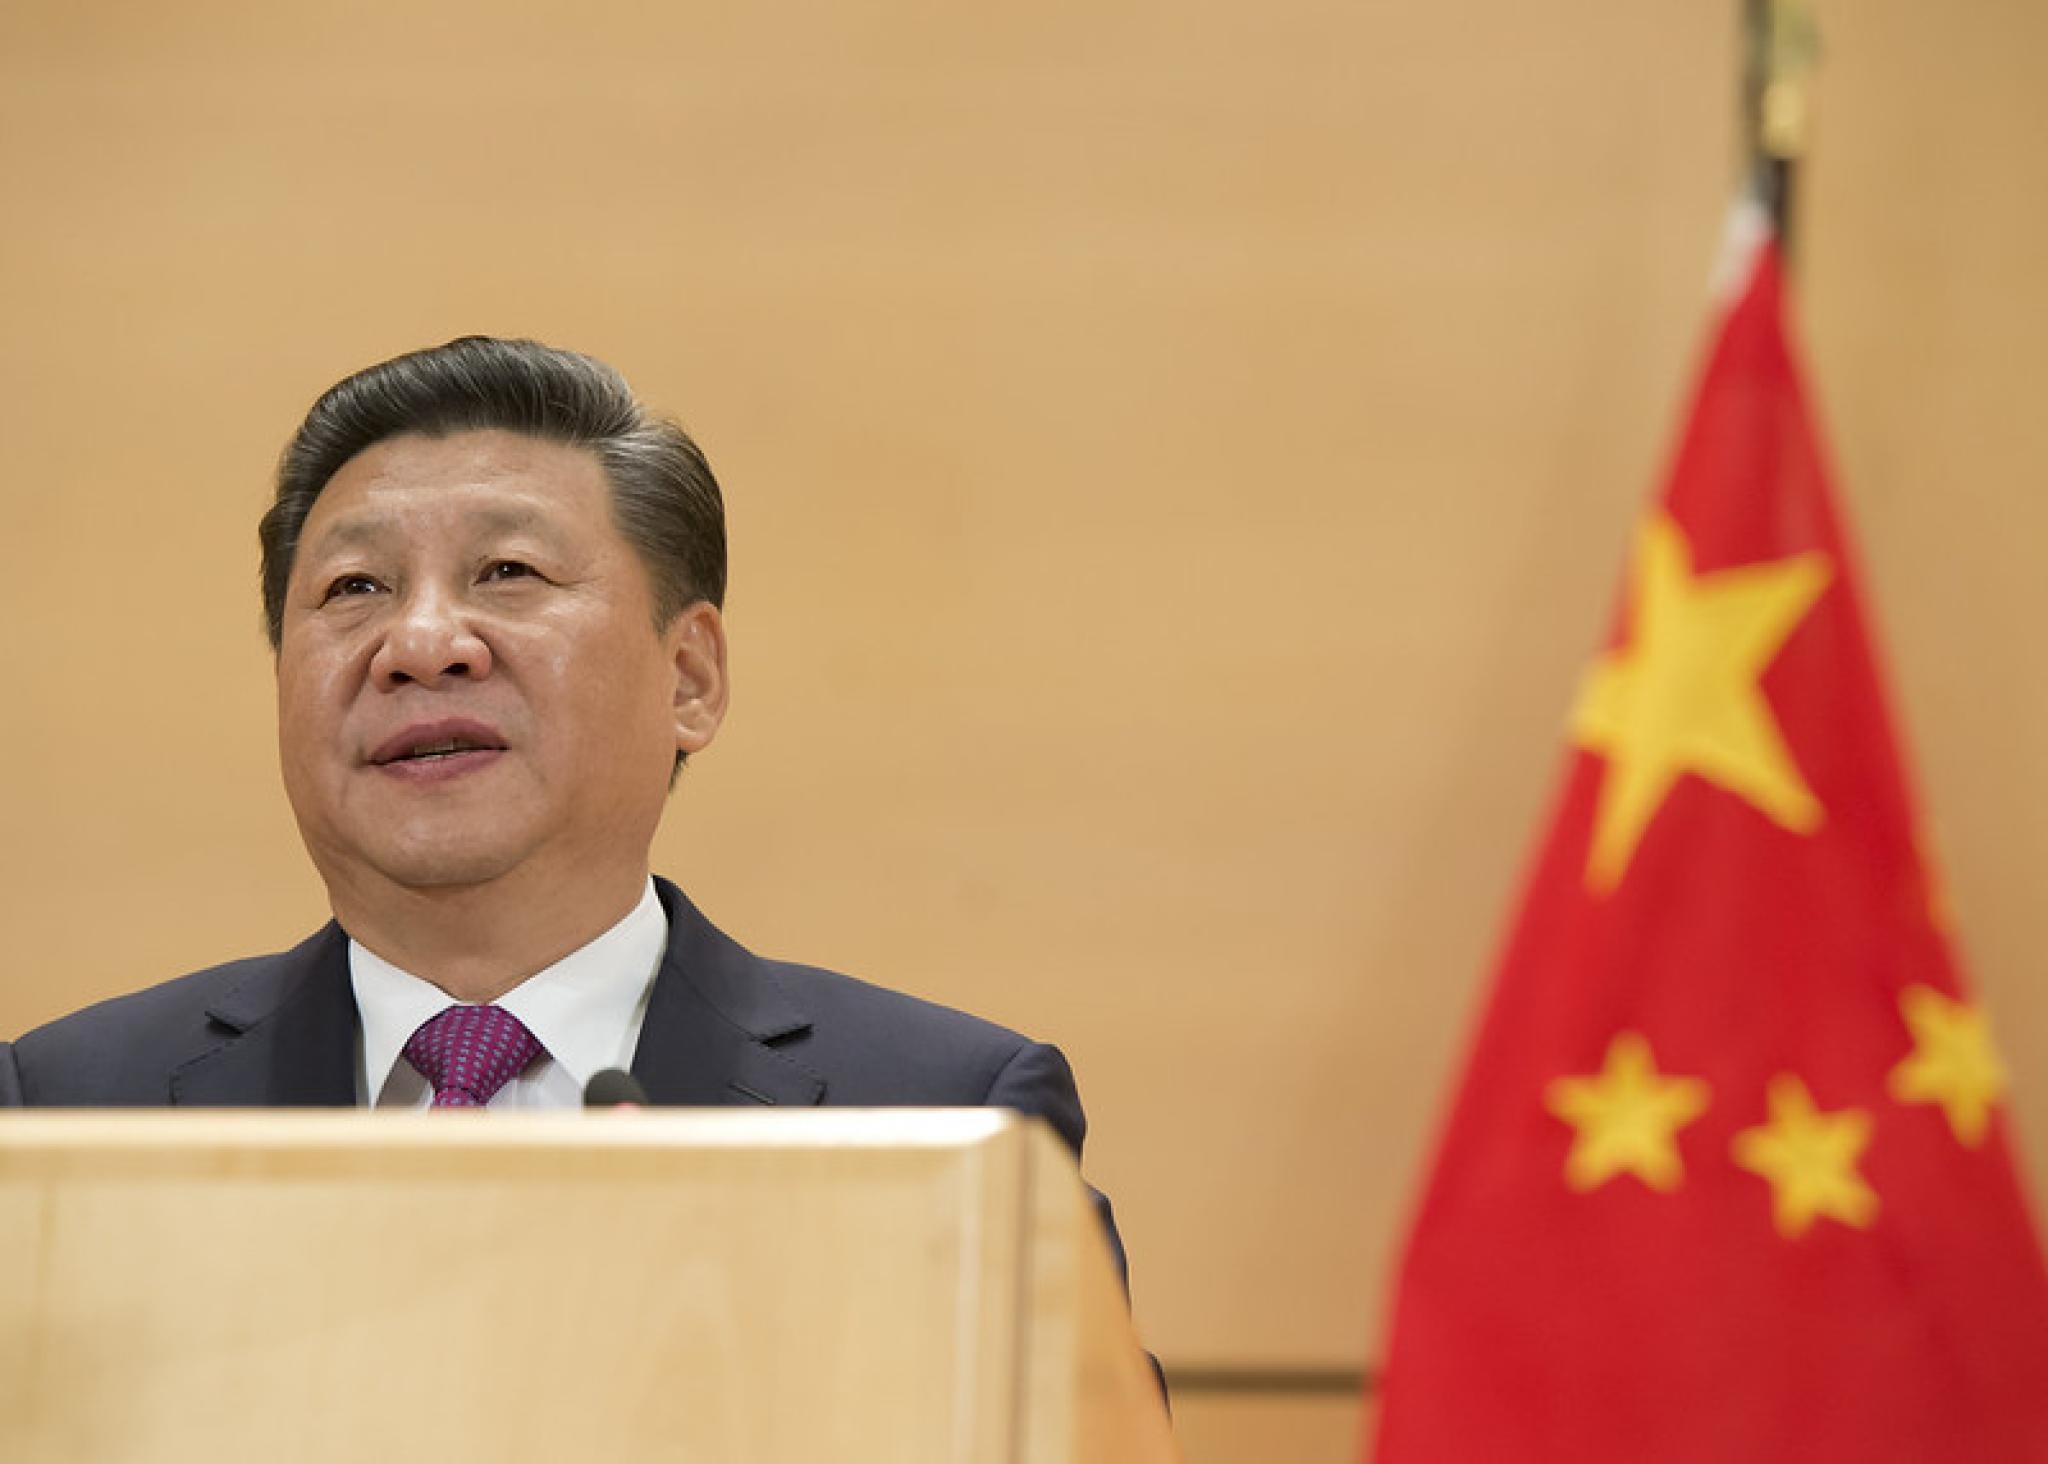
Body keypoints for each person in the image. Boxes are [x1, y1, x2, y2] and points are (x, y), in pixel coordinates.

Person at [0, 336, 1130, 1282]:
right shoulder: (59, 1121)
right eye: (354, 589)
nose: (422, 644)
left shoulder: (944, 1128)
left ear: (687, 678)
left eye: (508, 573)